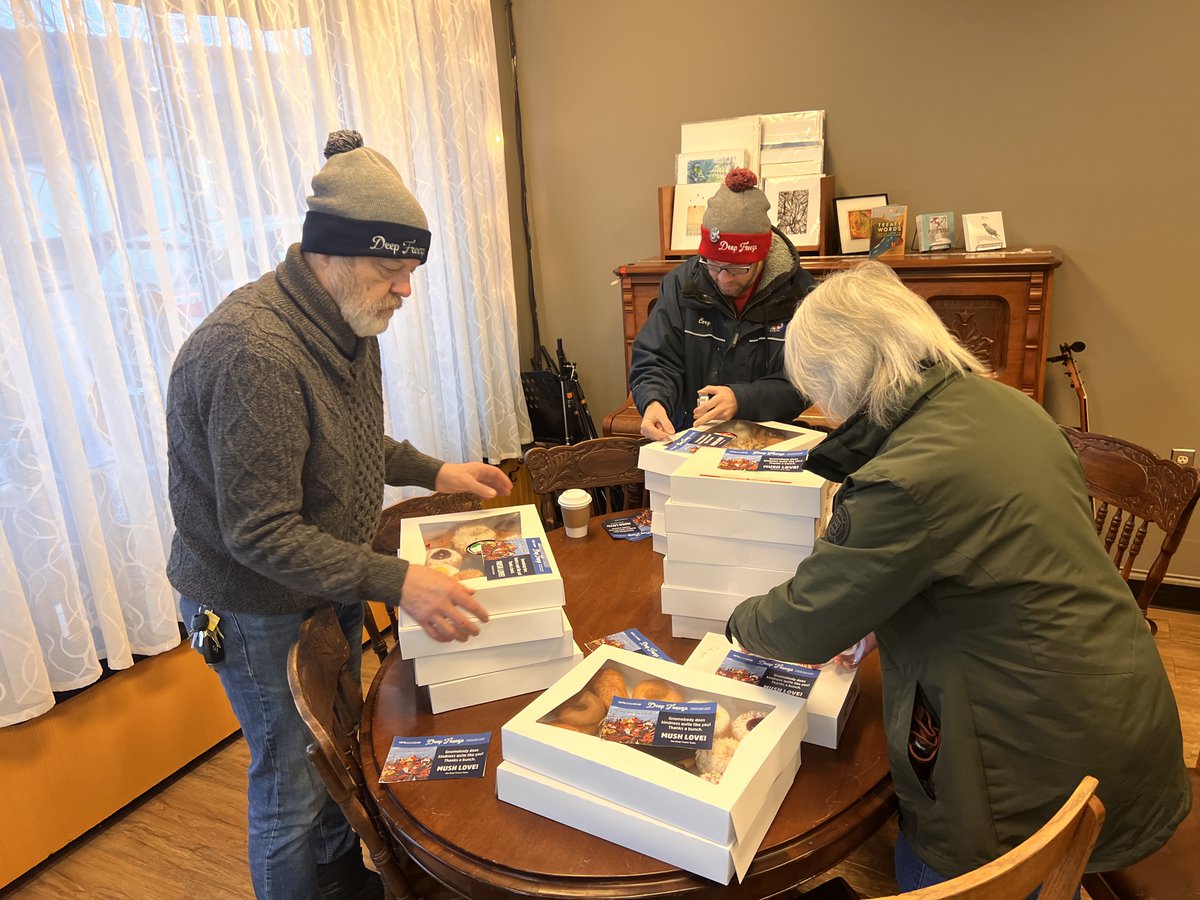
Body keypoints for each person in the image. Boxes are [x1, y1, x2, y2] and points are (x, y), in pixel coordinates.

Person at [726, 261, 1190, 892]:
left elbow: (802, 627)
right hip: (1118, 714)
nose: (821, 410)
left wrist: (734, 619)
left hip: (1030, 770)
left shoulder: (906, 478)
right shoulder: (1007, 406)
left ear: (845, 380)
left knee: (922, 866)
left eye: (821, 393)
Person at [165, 130, 512, 899]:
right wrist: (400, 580)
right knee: (289, 783)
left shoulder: (348, 319)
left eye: (411, 272)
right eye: (393, 269)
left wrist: (435, 470)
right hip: (254, 602)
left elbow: (346, 441)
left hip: (325, 577)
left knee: (336, 749)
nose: (406, 290)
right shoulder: (254, 352)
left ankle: (339, 882)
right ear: (332, 254)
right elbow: (258, 532)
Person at [628, 168, 815, 440]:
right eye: (713, 265)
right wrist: (654, 400)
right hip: (690, 434)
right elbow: (655, 359)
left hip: (767, 439)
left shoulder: (801, 295)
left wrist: (742, 399)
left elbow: (807, 381)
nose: (723, 278)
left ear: (762, 256)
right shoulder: (681, 285)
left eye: (737, 268)